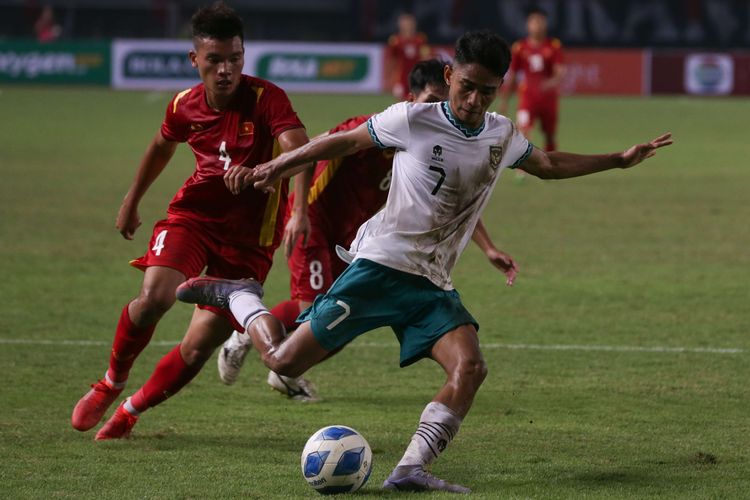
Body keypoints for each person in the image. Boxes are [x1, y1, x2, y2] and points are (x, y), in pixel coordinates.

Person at [178, 30, 671, 492]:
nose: (475, 101)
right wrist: (273, 166)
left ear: (500, 89)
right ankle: (240, 296)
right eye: (467, 88)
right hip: (379, 270)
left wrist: (617, 160)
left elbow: (546, 164)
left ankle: (410, 468)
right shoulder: (413, 119)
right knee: (283, 360)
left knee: (470, 367)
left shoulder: (500, 134)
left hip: (431, 283)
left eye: (487, 92)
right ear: (452, 76)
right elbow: (342, 143)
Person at [71, 1, 315, 440]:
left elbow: (301, 149)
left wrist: (289, 199)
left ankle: (129, 412)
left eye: (234, 58)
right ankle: (111, 382)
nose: (225, 69)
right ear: (194, 59)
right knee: (154, 297)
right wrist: (132, 198)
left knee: (199, 345)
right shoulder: (184, 105)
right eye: (214, 60)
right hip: (195, 217)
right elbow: (162, 146)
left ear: (244, 55)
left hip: (250, 240)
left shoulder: (266, 99)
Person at [217, 59, 520, 388]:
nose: (437, 109)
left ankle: (281, 368)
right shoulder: (377, 128)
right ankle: (247, 335)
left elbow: (449, 207)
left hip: (353, 235)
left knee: (337, 323)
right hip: (316, 220)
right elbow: (310, 152)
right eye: (430, 100)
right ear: (410, 97)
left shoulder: (435, 142)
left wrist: (488, 248)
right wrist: (299, 212)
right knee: (313, 306)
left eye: (441, 102)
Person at [498, 7, 564, 153]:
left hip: (548, 99)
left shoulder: (553, 46)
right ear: (528, 24)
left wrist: (550, 83)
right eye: (534, 21)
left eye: (540, 21)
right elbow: (513, 76)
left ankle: (551, 161)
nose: (537, 25)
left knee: (550, 135)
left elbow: (559, 72)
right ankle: (523, 166)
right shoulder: (520, 48)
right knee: (523, 129)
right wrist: (504, 100)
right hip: (527, 97)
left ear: (545, 24)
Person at [386, 13, 430, 100]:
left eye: (409, 23)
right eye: (404, 23)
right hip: (401, 78)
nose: (407, 26)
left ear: (414, 24)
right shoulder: (395, 41)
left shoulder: (420, 39)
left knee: (417, 101)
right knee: (401, 103)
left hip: (417, 76)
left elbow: (426, 57)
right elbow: (391, 60)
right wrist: (389, 77)